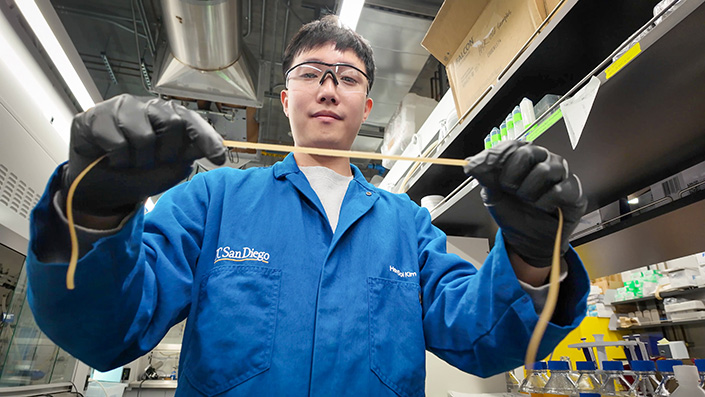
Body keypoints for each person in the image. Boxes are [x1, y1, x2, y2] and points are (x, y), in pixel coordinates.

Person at [26, 16, 589, 396]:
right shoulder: (212, 200)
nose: (328, 88)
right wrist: (93, 215)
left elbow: (480, 339)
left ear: (366, 104)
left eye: (347, 78)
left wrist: (533, 258)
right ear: (285, 96)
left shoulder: (407, 225)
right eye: (311, 74)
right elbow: (107, 334)